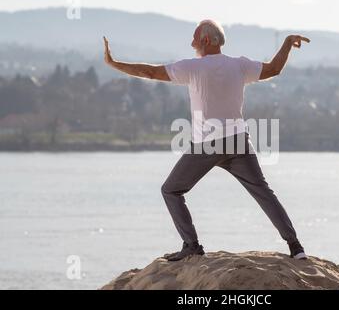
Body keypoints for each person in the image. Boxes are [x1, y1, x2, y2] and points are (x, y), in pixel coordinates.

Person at [103, 19, 310, 261]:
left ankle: (192, 245)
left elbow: (149, 72)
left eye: (194, 39)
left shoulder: (192, 68)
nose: (191, 44)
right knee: (263, 192)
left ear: (205, 40)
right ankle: (296, 247)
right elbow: (274, 69)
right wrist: (286, 44)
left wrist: (114, 63)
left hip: (208, 143)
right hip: (238, 141)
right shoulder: (239, 65)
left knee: (171, 190)